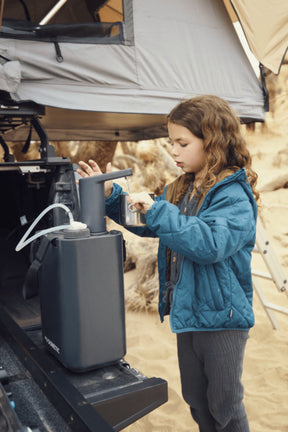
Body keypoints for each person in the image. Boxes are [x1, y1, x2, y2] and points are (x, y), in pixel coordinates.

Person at [77, 94, 259, 432]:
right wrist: (113, 197)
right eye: (170, 142)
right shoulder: (183, 188)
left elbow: (210, 243)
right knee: (196, 400)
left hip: (223, 319)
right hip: (188, 313)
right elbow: (152, 222)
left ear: (213, 141)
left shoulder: (233, 194)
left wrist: (159, 210)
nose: (172, 151)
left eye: (182, 142)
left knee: (225, 405)